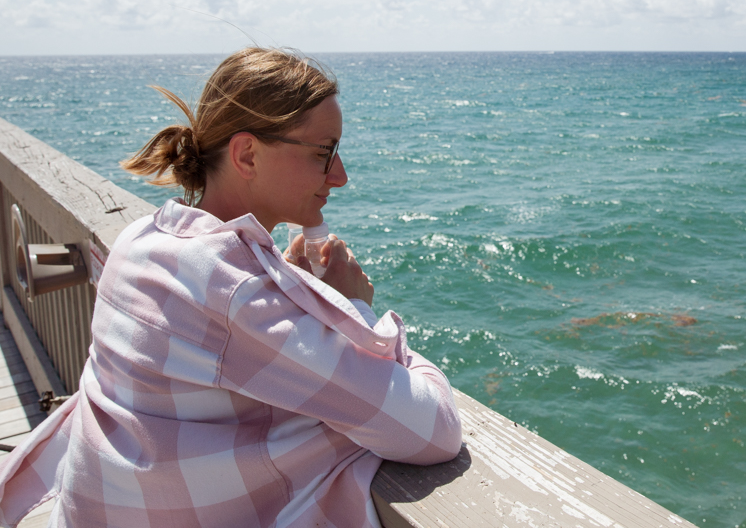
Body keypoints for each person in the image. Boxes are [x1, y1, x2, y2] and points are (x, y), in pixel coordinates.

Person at [0, 47, 462, 528]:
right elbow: (434, 430)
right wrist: (353, 311)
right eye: (323, 153)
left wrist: (288, 299)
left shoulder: (141, 239)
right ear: (246, 155)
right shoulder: (234, 293)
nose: (340, 176)